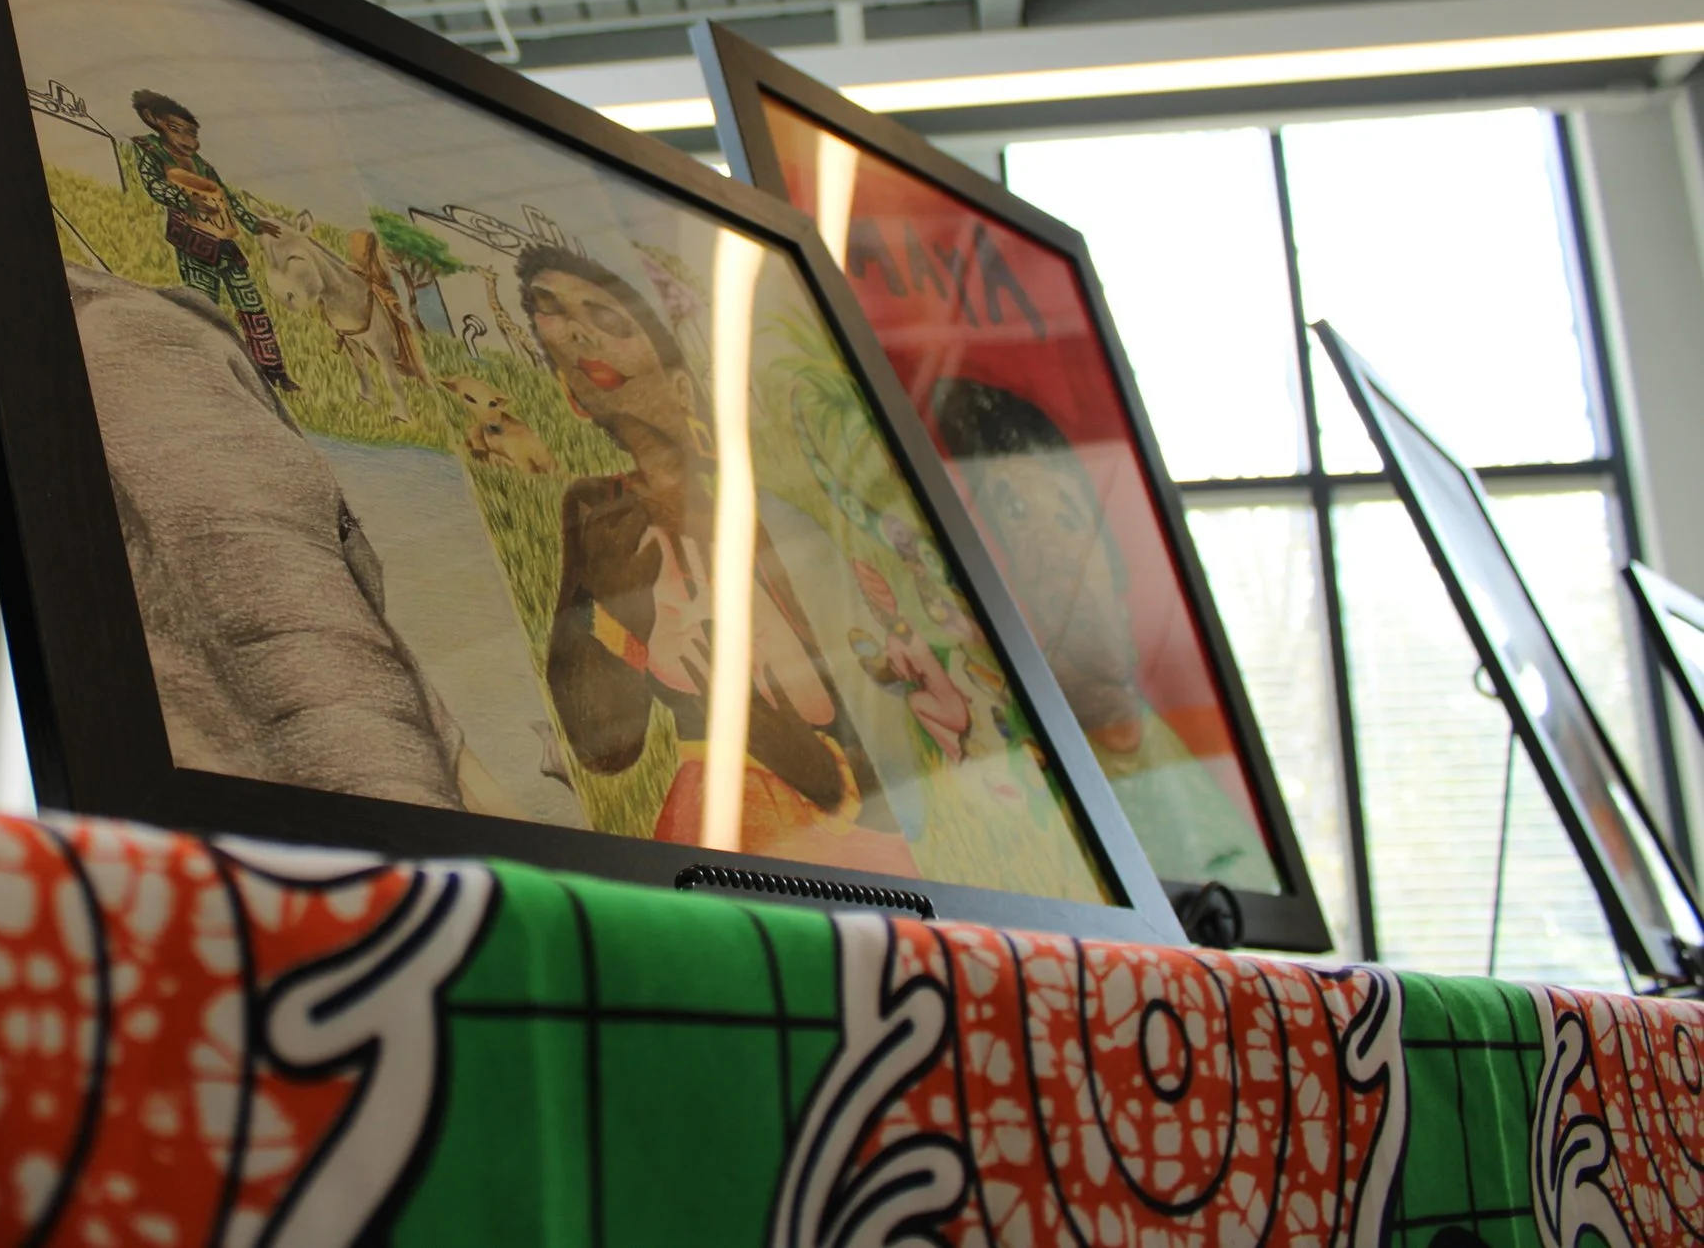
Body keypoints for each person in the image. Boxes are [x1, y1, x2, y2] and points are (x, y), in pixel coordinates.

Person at [517, 244, 914, 873]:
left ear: (681, 384)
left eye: (606, 318)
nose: (579, 335)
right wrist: (609, 605)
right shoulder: (599, 511)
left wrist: (805, 761)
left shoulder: (766, 516)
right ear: (573, 397)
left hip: (847, 829)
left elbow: (875, 723)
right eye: (557, 323)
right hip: (718, 816)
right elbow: (605, 747)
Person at [927, 376, 1279, 888]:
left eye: (1067, 519)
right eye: (1017, 518)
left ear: (1114, 565)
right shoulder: (1019, 777)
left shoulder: (1194, 784)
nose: (1051, 553)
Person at [128, 91, 296, 391]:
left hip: (223, 240)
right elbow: (153, 186)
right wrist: (185, 200)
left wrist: (252, 222)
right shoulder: (150, 151)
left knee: (251, 302)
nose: (186, 139)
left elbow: (226, 196)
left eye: (191, 133)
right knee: (204, 305)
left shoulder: (203, 165)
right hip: (192, 241)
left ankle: (272, 370)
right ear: (154, 121)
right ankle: (205, 366)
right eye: (176, 129)